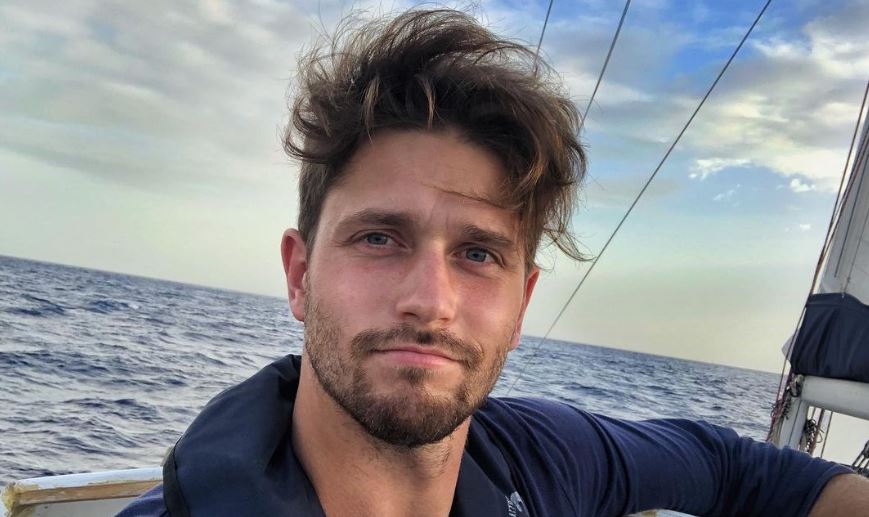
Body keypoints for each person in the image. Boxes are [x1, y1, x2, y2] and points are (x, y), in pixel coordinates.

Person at [119, 8, 869, 517]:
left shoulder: (541, 463)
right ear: (299, 274)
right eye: (379, 238)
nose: (430, 299)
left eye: (478, 253)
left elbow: (737, 468)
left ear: (520, 305)